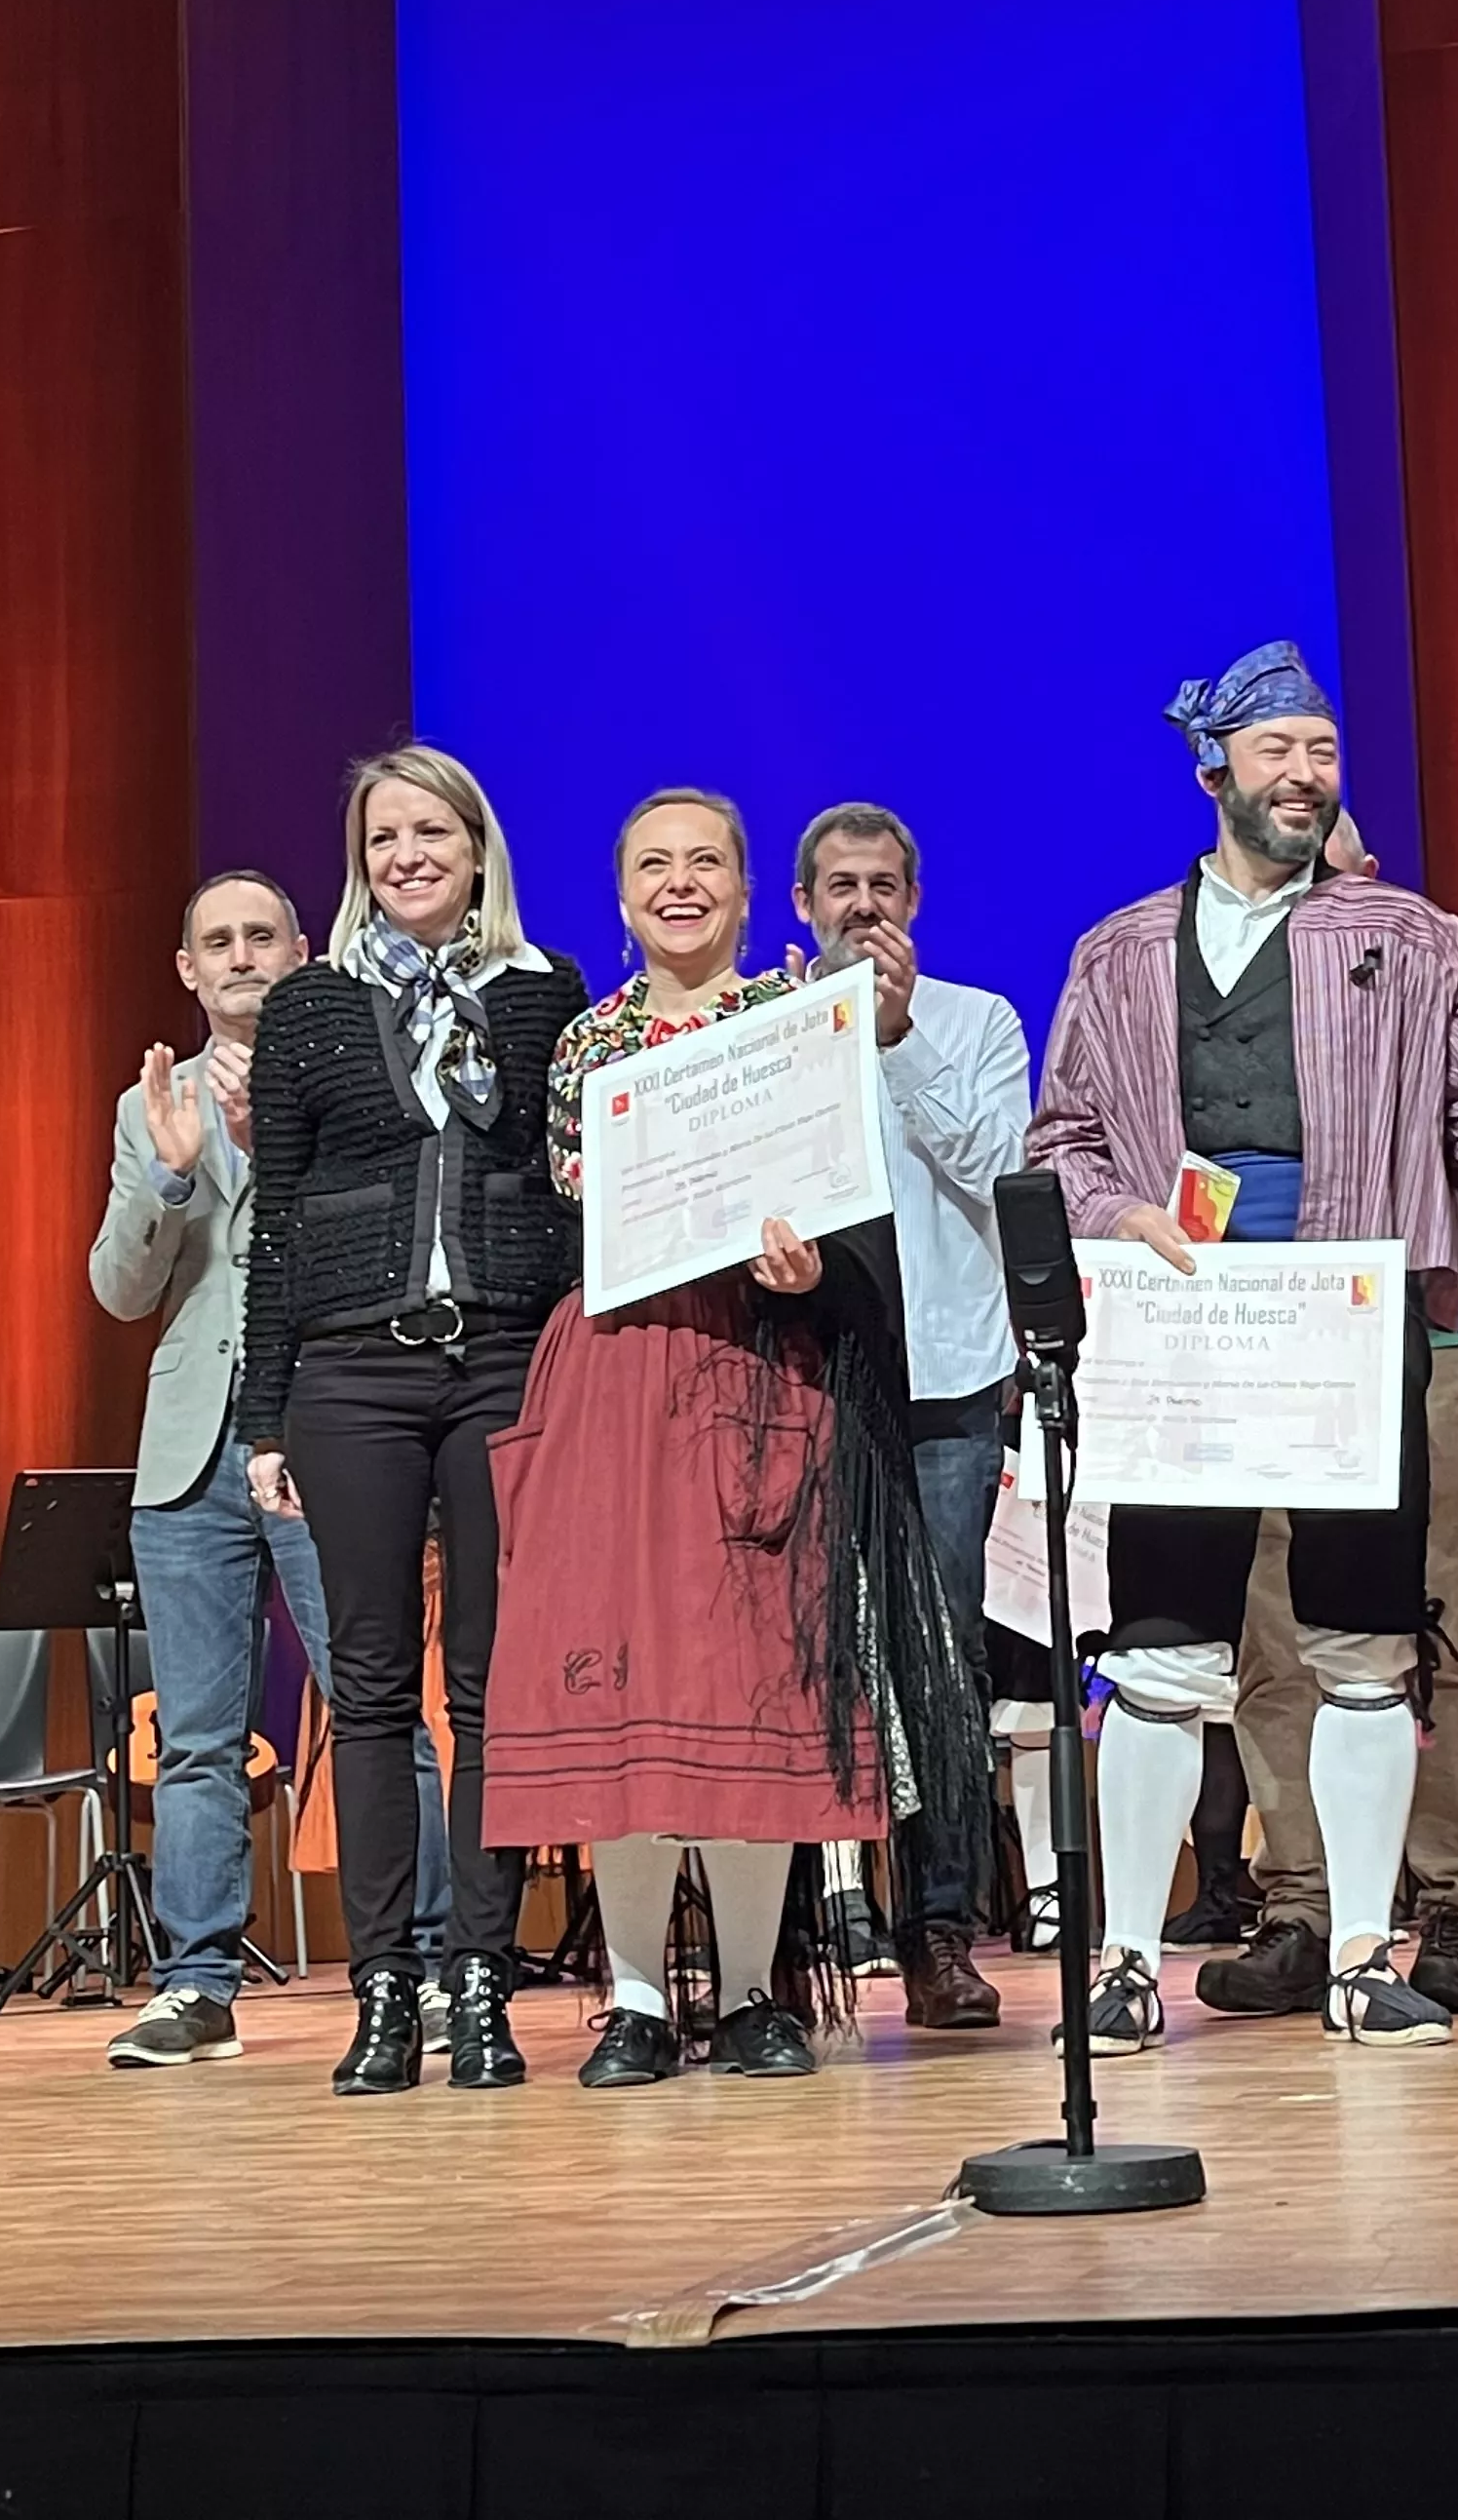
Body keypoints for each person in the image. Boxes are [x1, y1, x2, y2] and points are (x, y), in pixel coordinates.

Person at [1026, 642, 1458, 2052]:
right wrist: (1118, 1214)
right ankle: (1125, 1959)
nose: (1306, 776)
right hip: (1184, 1333)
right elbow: (1062, 1141)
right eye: (1278, 751)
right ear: (1212, 768)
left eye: (1324, 753)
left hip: (1349, 1326)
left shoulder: (1412, 938)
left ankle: (1360, 1954)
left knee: (1363, 1644)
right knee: (1164, 1652)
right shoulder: (1117, 953)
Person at [481, 790, 992, 2084]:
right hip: (618, 1373)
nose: (680, 884)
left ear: (748, 891)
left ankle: (759, 1992)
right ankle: (639, 2000)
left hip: (761, 1375)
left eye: (705, 861)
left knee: (755, 1687)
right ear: (621, 896)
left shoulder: (794, 1022)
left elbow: (851, 1209)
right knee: (627, 1689)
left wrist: (812, 1270)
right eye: (654, 864)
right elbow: (579, 1208)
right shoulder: (588, 1040)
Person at [237, 750, 585, 2096]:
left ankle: (485, 1984)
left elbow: (570, 1196)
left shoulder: (544, 993)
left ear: (477, 846)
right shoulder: (311, 1004)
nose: (407, 856)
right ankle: (384, 1989)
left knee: (491, 1691)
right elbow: (277, 1223)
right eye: (383, 837)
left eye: (431, 830)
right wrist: (265, 1417)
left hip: (502, 1365)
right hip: (350, 1377)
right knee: (371, 1690)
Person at [1221, 814, 1458, 2017]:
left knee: (1443, 1618)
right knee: (1273, 1629)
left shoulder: (1434, 968)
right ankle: (1304, 1902)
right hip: (1266, 1339)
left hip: (1420, 1341)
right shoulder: (1221, 988)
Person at [90, 872, 341, 2071]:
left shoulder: (351, 1076)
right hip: (192, 1452)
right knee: (194, 1738)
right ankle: (195, 1985)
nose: (242, 956)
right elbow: (120, 1289)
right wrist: (173, 1175)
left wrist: (269, 1146)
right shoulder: (150, 1104)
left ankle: (429, 1965)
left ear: (301, 951)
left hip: (326, 1435)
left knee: (375, 1708)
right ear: (187, 970)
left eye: (261, 936)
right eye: (218, 942)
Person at [791, 800, 1028, 2032]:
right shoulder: (767, 1027)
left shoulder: (976, 1022)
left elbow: (1002, 1169)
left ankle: (938, 1928)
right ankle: (797, 1940)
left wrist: (896, 1042)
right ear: (803, 906)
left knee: (941, 1657)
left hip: (944, 1382)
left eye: (883, 885)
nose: (863, 905)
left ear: (915, 902)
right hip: (802, 1383)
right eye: (840, 886)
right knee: (799, 1653)